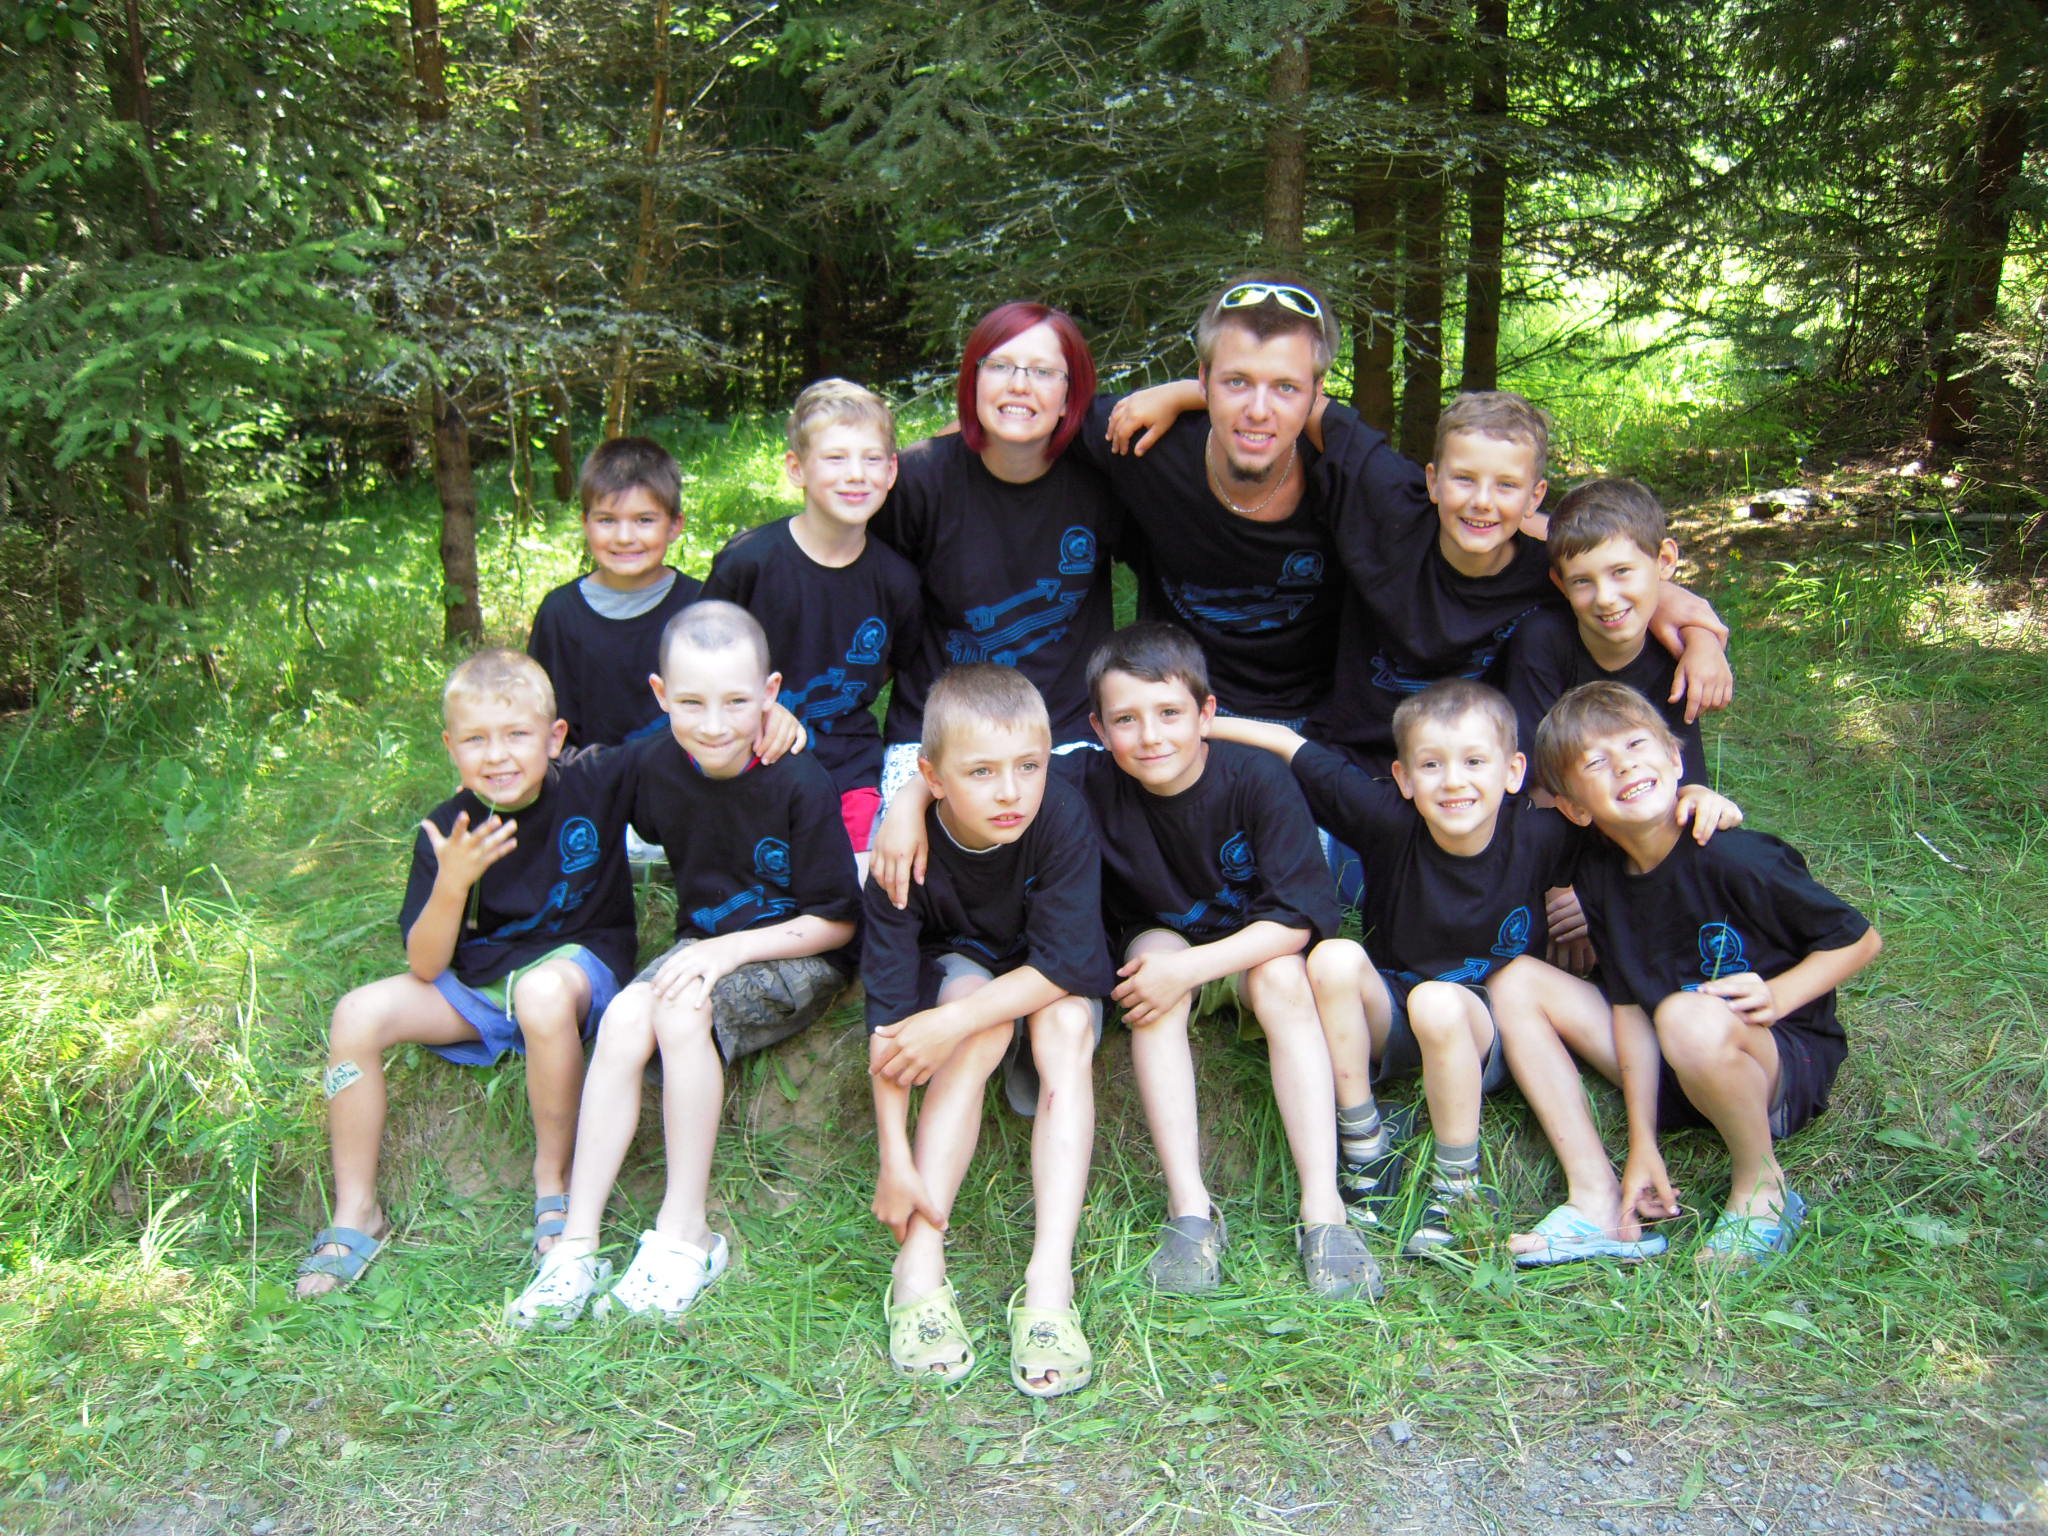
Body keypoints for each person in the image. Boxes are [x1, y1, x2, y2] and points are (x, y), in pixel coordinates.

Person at [1209, 679, 1743, 1258]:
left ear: (1513, 772)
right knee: (1334, 958)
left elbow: (1632, 826)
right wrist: (1196, 726)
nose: (1453, 781)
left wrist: (1696, 795)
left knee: (1437, 1001)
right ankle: (1364, 1144)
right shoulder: (1385, 817)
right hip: (1395, 1018)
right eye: (1431, 765)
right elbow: (1289, 746)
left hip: (1488, 1028)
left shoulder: (1540, 833)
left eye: (1473, 762)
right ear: (1403, 779)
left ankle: (1458, 1187)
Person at [507, 603, 860, 1325]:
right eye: (692, 702)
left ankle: (686, 1232)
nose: (715, 724)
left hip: (797, 953)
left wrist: (727, 949)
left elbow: (837, 920)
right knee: (623, 1016)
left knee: (677, 1008)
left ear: (770, 693)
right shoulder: (652, 764)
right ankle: (576, 1245)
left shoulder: (798, 779)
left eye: (737, 701)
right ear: (661, 694)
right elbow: (564, 778)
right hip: (701, 945)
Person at [296, 649, 636, 1297]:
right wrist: (453, 882)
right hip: (481, 987)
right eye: (476, 739)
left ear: (555, 737)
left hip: (574, 971)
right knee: (355, 1016)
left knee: (539, 994)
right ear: (451, 747)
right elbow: (425, 964)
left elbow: (685, 745)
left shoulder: (595, 780)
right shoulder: (444, 827)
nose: (497, 755)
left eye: (517, 734)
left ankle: (554, 1183)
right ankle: (356, 1211)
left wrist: (773, 722)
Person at [1077, 623, 1380, 1299]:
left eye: (1169, 713)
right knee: (1149, 977)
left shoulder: (1258, 778)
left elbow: (1299, 917)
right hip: (1164, 942)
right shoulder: (1090, 781)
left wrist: (1193, 970)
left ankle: (1323, 1207)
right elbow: (1005, 761)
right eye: (1125, 720)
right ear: (1098, 729)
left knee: (1281, 976)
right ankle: (1189, 1210)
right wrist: (913, 801)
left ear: (1206, 713)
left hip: (1253, 947)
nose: (1150, 736)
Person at [1535, 681, 1881, 1265]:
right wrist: (1643, 1139)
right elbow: (1627, 1006)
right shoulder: (1598, 876)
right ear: (1575, 808)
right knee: (1518, 981)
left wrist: (1779, 995)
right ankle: (1594, 1198)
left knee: (1685, 1017)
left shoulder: (1735, 856)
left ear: (1676, 759)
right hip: (1678, 1059)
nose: (1624, 765)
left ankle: (1763, 1191)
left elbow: (1859, 939)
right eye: (1595, 762)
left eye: (1636, 745)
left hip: (1772, 1062)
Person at [862, 665, 1113, 1397]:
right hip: (965, 971)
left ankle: (1050, 1281)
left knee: (1063, 1024)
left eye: (1028, 766)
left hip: (1049, 982)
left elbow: (1066, 963)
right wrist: (892, 1156)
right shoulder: (899, 854)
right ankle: (919, 1261)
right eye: (982, 773)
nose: (1010, 792)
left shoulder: (1060, 813)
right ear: (933, 778)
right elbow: (888, 1021)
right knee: (973, 1018)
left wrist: (951, 1020)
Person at [869, 302, 1118, 806]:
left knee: (1072, 846)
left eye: (1043, 372)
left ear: (1071, 394)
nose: (1019, 385)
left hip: (1065, 735)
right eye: (1000, 366)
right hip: (936, 736)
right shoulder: (918, 482)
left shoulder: (1106, 480)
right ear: (973, 380)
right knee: (905, 853)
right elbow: (861, 606)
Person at [1073, 278, 1347, 726]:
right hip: (1178, 719)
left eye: (1285, 387)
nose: (1258, 411)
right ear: (1203, 379)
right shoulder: (1145, 440)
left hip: (1309, 726)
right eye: (1237, 382)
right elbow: (1022, 421)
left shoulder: (1345, 475)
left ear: (1318, 395)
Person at [702, 379, 922, 878]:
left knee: (856, 885)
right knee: (760, 881)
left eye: (871, 459)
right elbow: (698, 656)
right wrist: (759, 708)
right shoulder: (749, 563)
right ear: (796, 468)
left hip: (849, 763)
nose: (855, 474)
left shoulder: (898, 581)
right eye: (835, 458)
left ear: (891, 471)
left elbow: (895, 663)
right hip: (750, 751)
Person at [1502, 477, 1714, 784]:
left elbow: (1685, 779)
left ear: (1665, 560)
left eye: (1621, 571)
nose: (1605, 598)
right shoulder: (1543, 639)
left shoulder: (1674, 650)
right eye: (1582, 581)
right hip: (1565, 803)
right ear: (1561, 584)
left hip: (1642, 798)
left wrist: (1704, 643)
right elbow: (1529, 776)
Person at [527, 437, 701, 751]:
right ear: (585, 523)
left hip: (687, 776)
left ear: (675, 525)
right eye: (607, 520)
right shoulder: (560, 614)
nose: (624, 537)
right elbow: (540, 722)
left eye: (644, 520)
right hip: (586, 777)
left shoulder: (702, 606)